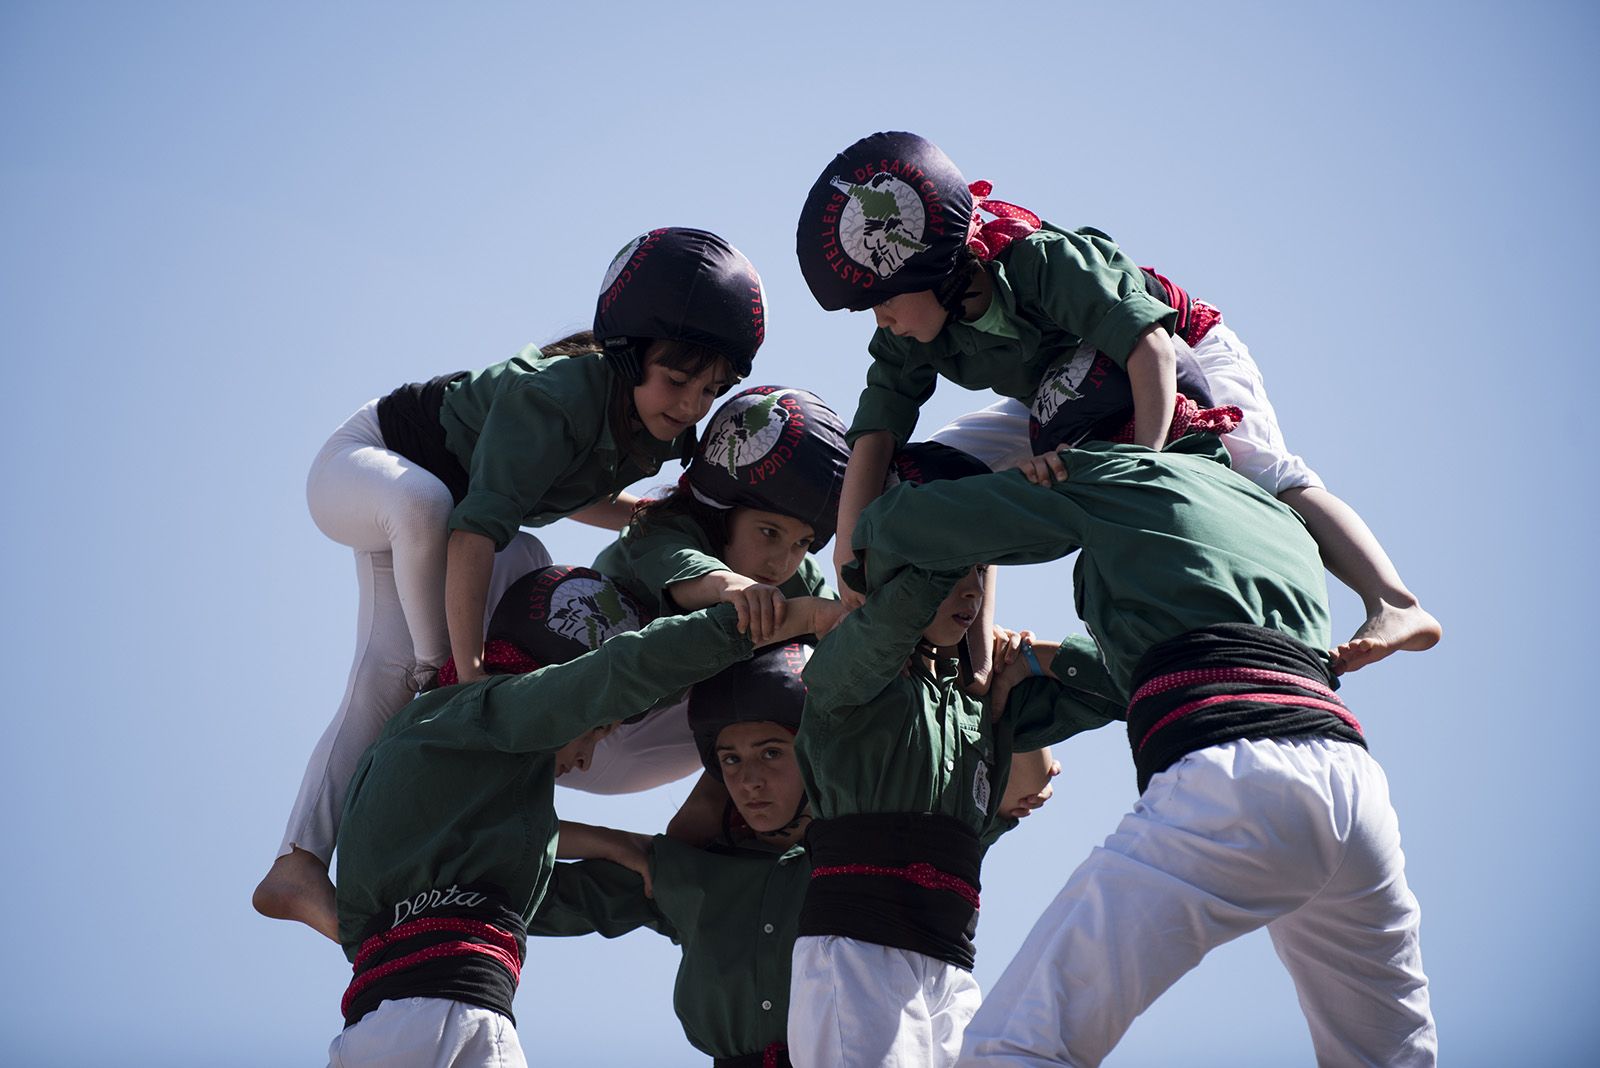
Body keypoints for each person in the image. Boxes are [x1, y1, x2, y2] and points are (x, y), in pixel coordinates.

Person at [842, 427, 1437, 1066]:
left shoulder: (1112, 474)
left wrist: (858, 573)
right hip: (1353, 783)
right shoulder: (1269, 505)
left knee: (1018, 1044)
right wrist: (1043, 660)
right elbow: (1150, 673)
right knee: (1390, 1055)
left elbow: (901, 525)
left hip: (1234, 779)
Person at [255, 227, 768, 940]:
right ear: (626, 355)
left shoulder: (656, 425)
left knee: (441, 624)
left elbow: (556, 487)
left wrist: (636, 515)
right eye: (678, 381)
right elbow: (471, 531)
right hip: (368, 468)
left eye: (710, 391)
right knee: (423, 588)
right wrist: (466, 679)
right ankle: (441, 687)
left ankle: (298, 862)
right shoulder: (555, 395)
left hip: (437, 523)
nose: (689, 406)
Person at [795, 130, 1439, 675]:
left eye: (882, 299)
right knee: (929, 471)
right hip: (1056, 393)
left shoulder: (1042, 263)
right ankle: (978, 647)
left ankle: (1393, 600)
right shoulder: (911, 336)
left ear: (934, 270)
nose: (879, 320)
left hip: (1176, 352)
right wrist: (850, 553)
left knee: (1260, 470)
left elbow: (1149, 348)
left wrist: (1142, 464)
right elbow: (875, 435)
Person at [328, 567, 838, 1067]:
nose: (589, 758)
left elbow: (476, 892)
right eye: (598, 728)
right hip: (449, 1023)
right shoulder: (496, 712)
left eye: (772, 753)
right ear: (561, 690)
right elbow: (627, 669)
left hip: (363, 1030)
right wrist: (794, 617)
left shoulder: (416, 742)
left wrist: (607, 841)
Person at [788, 474, 1125, 1065]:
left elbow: (1129, 684)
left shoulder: (980, 698)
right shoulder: (847, 664)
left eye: (978, 575)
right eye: (951, 574)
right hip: (860, 954)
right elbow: (894, 612)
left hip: (951, 968)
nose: (968, 593)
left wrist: (1033, 659)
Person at [528, 643, 817, 1067]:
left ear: (814, 752)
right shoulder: (687, 868)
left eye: (771, 753)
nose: (749, 780)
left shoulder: (868, 856)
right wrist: (605, 840)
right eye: (730, 760)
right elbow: (520, 895)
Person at [559, 385, 848, 799]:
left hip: (635, 745)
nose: (781, 562)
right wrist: (735, 587)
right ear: (720, 509)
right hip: (566, 712)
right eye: (769, 533)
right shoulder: (657, 527)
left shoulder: (794, 576)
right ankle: (455, 679)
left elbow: (836, 625)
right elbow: (689, 576)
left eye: (801, 543)